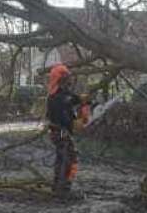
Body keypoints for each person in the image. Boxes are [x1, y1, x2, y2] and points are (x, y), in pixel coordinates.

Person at [46, 63, 89, 197]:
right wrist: (76, 123)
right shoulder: (57, 97)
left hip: (60, 132)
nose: (69, 82)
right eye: (66, 79)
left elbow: (72, 99)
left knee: (62, 159)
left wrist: (84, 102)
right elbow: (63, 115)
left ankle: (58, 185)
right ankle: (64, 188)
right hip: (60, 132)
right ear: (60, 79)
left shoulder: (61, 94)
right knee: (70, 159)